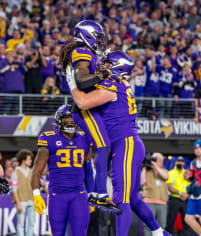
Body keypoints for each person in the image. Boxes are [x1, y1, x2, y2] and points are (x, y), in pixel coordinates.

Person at [65, 51, 170, 236]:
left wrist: (72, 84)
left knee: (121, 199)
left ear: (116, 67)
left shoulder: (111, 85)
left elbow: (82, 102)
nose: (102, 65)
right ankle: (158, 232)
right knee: (132, 198)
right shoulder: (119, 82)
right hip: (128, 144)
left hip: (125, 145)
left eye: (106, 63)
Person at [58, 20, 114, 209]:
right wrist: (103, 74)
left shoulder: (85, 53)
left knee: (91, 154)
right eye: (97, 37)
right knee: (104, 146)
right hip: (85, 109)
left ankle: (92, 192)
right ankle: (99, 194)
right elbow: (82, 80)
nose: (100, 41)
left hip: (87, 108)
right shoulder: (82, 52)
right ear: (87, 35)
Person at [31, 104, 94, 236]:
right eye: (67, 117)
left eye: (73, 117)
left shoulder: (85, 138)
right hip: (57, 195)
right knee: (57, 233)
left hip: (79, 194)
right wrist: (36, 194)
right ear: (59, 119)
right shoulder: (48, 138)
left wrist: (91, 194)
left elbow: (88, 171)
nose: (71, 120)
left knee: (80, 233)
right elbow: (37, 170)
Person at [141, 153, 169, 236]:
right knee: (148, 225)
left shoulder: (164, 171)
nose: (155, 161)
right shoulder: (146, 171)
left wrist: (156, 166)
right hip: (149, 202)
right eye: (154, 159)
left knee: (161, 226)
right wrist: (144, 167)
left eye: (157, 159)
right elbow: (142, 182)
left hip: (162, 203)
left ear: (161, 161)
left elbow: (165, 177)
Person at [165, 156, 194, 235]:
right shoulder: (171, 173)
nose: (180, 163)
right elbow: (169, 187)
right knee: (170, 222)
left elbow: (191, 186)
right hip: (174, 199)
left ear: (184, 163)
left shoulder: (187, 173)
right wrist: (180, 193)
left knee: (187, 222)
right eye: (178, 162)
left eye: (181, 162)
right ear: (175, 163)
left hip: (185, 200)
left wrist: (187, 194)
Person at [11, 149, 35, 236]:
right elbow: (14, 189)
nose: (31, 161)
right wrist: (18, 203)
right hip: (21, 201)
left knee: (31, 224)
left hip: (31, 201)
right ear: (23, 160)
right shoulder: (15, 172)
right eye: (29, 159)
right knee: (20, 224)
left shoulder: (32, 171)